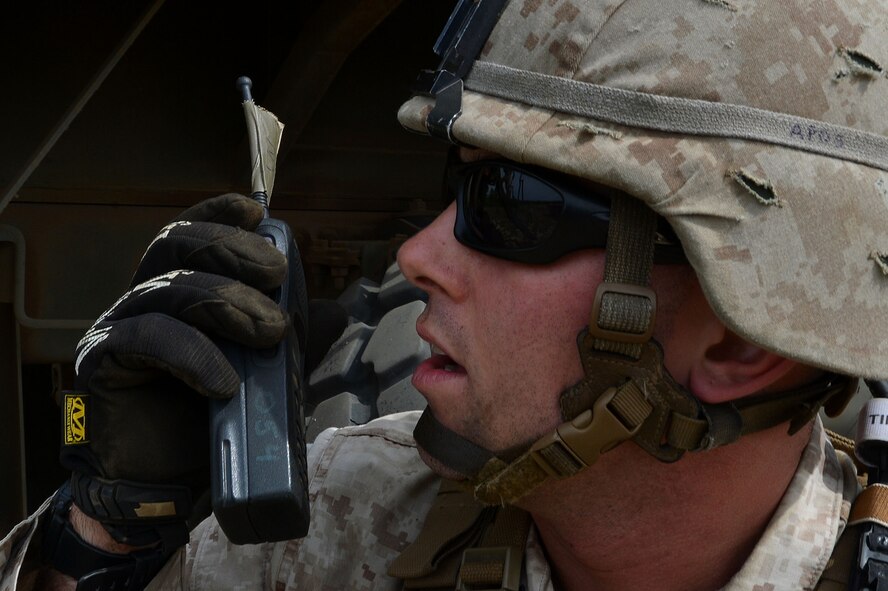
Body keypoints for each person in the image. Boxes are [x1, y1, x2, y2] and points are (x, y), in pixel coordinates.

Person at [2, 0, 888, 589]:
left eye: (510, 208)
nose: (419, 253)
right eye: (456, 183)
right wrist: (109, 530)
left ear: (740, 344)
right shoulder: (344, 517)